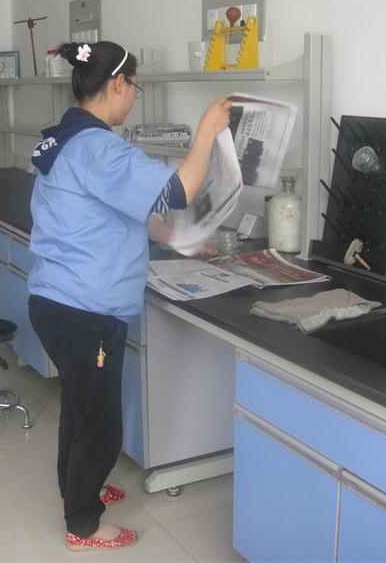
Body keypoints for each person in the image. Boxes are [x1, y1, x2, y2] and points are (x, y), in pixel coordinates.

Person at [27, 40, 231, 552]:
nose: (135, 96)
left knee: (79, 409)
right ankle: (84, 526)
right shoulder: (100, 148)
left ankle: (77, 492)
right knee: (99, 424)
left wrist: (178, 239)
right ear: (117, 83)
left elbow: (123, 207)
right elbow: (176, 191)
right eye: (134, 86)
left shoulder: (68, 137)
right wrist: (207, 130)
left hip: (57, 301)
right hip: (86, 310)